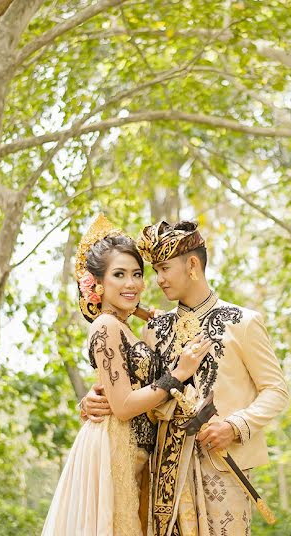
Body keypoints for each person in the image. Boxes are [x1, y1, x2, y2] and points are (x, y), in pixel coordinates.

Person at [84, 219, 289, 536]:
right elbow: (134, 389)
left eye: (164, 268)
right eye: (154, 271)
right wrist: (92, 399)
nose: (158, 280)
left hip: (221, 466)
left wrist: (235, 426)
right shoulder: (154, 328)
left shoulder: (243, 322)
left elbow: (276, 391)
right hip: (163, 470)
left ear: (192, 264)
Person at [41, 214, 212, 536]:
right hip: (113, 445)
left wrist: (142, 312)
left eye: (137, 274)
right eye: (119, 275)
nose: (131, 283)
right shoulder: (105, 327)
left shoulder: (124, 327)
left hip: (137, 449)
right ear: (98, 284)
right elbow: (122, 406)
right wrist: (178, 374)